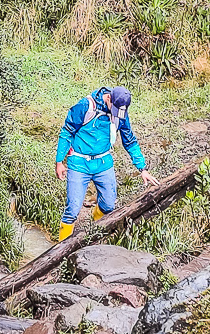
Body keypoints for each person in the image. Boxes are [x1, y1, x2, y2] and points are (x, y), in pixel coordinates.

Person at [55, 86, 156, 241]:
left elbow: (129, 141)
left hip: (103, 163)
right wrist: (59, 161)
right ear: (109, 98)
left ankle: (94, 229)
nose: (116, 114)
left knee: (109, 205)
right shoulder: (86, 106)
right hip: (79, 162)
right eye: (114, 108)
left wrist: (143, 168)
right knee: (72, 210)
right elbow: (67, 131)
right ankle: (60, 251)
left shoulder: (120, 113)